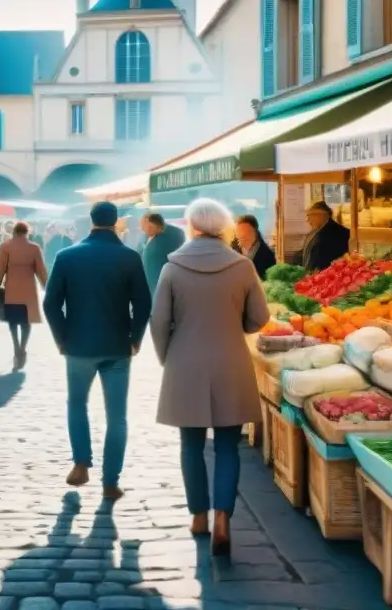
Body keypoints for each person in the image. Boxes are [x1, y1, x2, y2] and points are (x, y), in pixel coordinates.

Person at [150, 198, 270, 556]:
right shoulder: (242, 266)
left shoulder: (172, 268)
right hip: (231, 360)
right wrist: (239, 327)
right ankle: (223, 519)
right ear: (224, 226)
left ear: (191, 225)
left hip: (185, 362)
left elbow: (158, 322)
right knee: (228, 445)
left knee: (190, 445)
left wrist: (167, 357)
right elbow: (260, 317)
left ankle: (198, 516)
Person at [43, 201, 152, 500]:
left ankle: (80, 461)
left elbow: (50, 303)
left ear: (90, 221)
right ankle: (110, 481)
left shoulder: (67, 256)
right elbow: (143, 303)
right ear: (116, 222)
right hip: (118, 345)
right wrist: (136, 337)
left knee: (77, 404)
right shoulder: (129, 257)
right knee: (116, 416)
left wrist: (61, 337)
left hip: (78, 345)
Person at [0, 222, 47, 370]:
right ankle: (23, 348)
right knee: (26, 322)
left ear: (14, 232)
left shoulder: (4, 247)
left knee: (12, 321)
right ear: (27, 232)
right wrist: (45, 286)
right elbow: (41, 270)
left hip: (11, 289)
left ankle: (16, 347)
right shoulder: (34, 248)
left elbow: (1, 269)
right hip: (28, 290)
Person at [297, 201, 351, 271]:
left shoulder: (339, 233)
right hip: (311, 278)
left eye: (310, 215)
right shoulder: (313, 232)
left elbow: (329, 260)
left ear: (322, 215)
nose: (307, 220)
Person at [140, 213, 186, 292]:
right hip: (149, 282)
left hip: (164, 281)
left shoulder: (175, 234)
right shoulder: (145, 237)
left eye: (145, 225)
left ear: (154, 225)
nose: (142, 228)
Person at [233, 214, 277, 280]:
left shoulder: (267, 254)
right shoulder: (233, 250)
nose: (241, 235)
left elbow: (270, 280)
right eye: (239, 232)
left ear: (255, 232)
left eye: (245, 232)